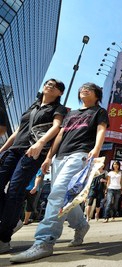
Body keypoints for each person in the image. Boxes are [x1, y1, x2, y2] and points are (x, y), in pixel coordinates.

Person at [10, 82, 109, 263]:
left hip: (80, 154)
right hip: (60, 157)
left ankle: (44, 242)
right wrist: (49, 157)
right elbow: (60, 135)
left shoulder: (99, 112)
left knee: (57, 194)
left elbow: (101, 130)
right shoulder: (70, 114)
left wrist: (96, 150)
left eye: (89, 88)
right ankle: (81, 225)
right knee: (65, 198)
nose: (83, 89)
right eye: (82, 87)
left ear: (97, 95)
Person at [0, 79, 67, 254]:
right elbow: (17, 132)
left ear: (60, 93)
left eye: (54, 85)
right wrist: (2, 149)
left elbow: (57, 127)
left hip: (32, 152)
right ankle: (12, 218)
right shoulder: (33, 106)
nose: (49, 85)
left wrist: (40, 143)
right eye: (48, 83)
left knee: (15, 190)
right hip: (14, 150)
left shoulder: (57, 109)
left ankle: (4, 238)